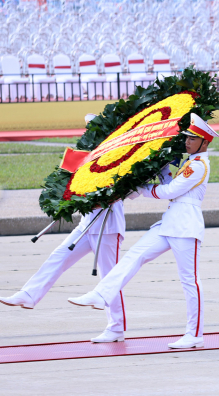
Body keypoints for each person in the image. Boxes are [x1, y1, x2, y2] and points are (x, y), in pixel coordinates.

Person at [68, 113, 219, 349]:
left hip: (186, 227)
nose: (187, 142)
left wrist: (142, 188)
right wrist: (158, 169)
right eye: (187, 137)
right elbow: (169, 183)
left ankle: (194, 334)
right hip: (170, 223)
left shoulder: (199, 166)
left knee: (190, 281)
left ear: (205, 142)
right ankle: (101, 294)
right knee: (134, 256)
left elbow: (170, 191)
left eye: (192, 139)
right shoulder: (189, 163)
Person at [0, 113, 128, 343]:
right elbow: (68, 184)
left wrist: (111, 196)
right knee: (58, 256)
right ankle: (29, 294)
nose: (90, 134)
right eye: (89, 130)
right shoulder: (83, 155)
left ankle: (116, 327)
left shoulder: (118, 156)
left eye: (95, 130)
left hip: (107, 227)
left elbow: (129, 189)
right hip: (86, 224)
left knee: (110, 278)